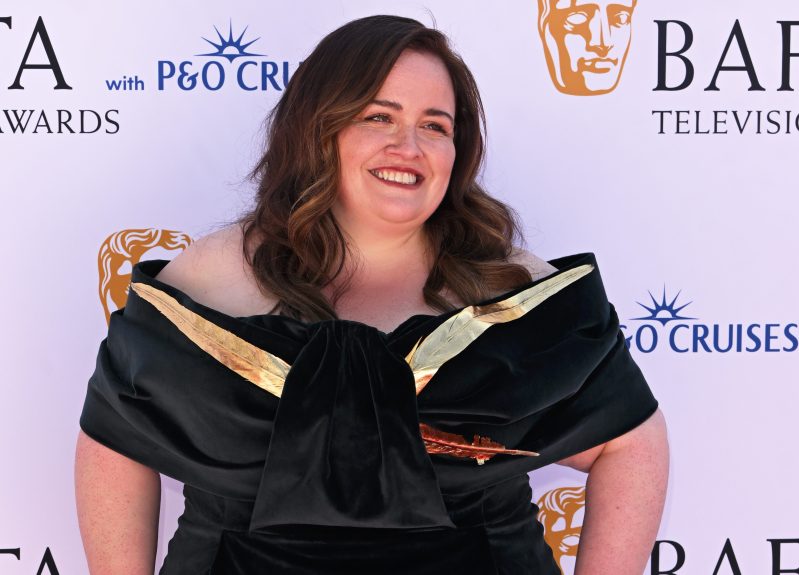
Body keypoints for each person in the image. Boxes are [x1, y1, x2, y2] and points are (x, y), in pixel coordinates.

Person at [75, 15, 668, 575]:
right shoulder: (206, 282)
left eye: (435, 125)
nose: (409, 146)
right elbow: (115, 439)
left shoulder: (514, 291)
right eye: (379, 117)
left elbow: (629, 442)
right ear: (318, 128)